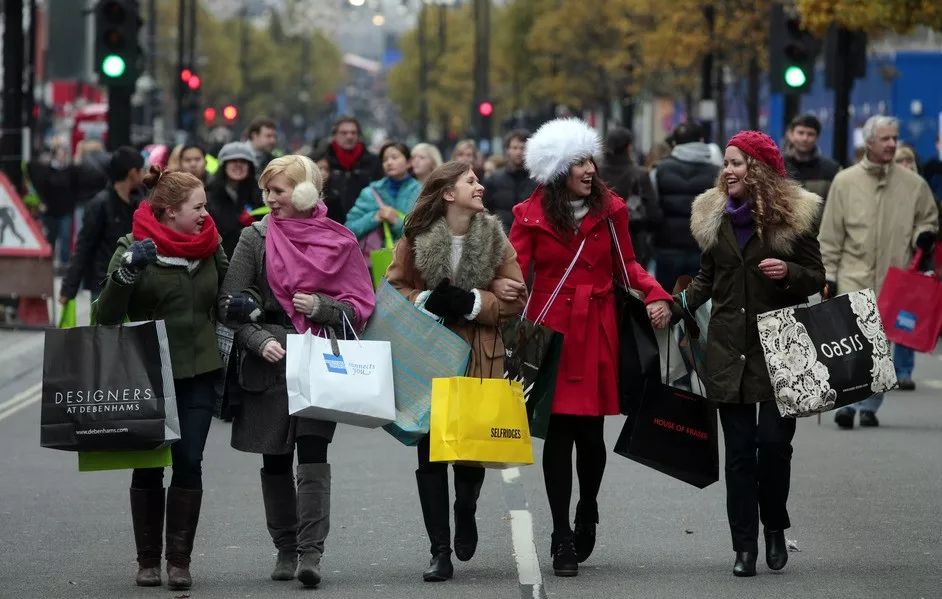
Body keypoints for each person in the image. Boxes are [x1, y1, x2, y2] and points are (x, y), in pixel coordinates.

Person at [508, 118, 671, 577]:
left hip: (597, 327)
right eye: (577, 162)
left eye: (589, 160)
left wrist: (656, 293)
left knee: (591, 433)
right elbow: (515, 272)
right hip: (551, 332)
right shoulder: (528, 214)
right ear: (558, 171)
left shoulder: (612, 208)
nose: (588, 169)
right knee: (558, 434)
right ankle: (560, 533)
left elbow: (628, 265)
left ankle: (588, 508)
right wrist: (491, 298)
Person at [219, 155, 375, 588]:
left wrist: (322, 307)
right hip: (269, 363)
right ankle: (285, 549)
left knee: (312, 454)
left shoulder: (339, 240)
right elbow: (228, 304)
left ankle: (310, 553)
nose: (270, 199)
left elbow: (360, 308)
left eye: (279, 191)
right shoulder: (255, 237)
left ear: (306, 191)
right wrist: (257, 340)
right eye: (266, 191)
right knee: (274, 459)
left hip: (318, 361)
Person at [681, 130, 825, 578]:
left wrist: (788, 272)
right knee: (740, 454)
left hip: (779, 347)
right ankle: (744, 546)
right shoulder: (713, 217)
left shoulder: (792, 219)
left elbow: (815, 275)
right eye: (726, 162)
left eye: (737, 163)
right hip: (727, 347)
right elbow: (706, 279)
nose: (728, 171)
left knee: (774, 446)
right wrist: (673, 306)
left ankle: (775, 527)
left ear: (758, 170)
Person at [385, 160, 526, 582]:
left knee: (469, 452)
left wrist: (474, 302)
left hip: (479, 357)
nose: (479, 186)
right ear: (448, 193)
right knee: (429, 453)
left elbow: (517, 299)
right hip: (429, 356)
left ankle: (465, 510)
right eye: (470, 181)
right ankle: (439, 551)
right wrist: (428, 299)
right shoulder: (415, 238)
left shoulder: (495, 239)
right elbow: (393, 290)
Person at [96, 166, 228, 591]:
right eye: (199, 207)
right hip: (149, 370)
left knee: (190, 460)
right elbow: (105, 315)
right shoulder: (132, 246)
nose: (206, 214)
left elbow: (227, 291)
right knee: (150, 463)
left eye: (205, 205)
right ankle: (148, 561)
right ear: (170, 212)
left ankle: (179, 561)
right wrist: (127, 273)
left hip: (200, 370)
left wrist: (245, 302)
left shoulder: (210, 245)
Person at [820, 116, 938, 427]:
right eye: (884, 139)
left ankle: (869, 406)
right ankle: (846, 405)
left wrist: (922, 236)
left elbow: (927, 220)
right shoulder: (844, 182)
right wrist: (828, 274)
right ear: (869, 142)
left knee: (879, 347)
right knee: (851, 345)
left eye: (894, 138)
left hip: (893, 278)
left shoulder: (915, 185)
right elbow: (831, 235)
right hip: (852, 275)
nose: (891, 144)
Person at [59, 147, 144, 306]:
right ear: (133, 173)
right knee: (103, 330)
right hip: (103, 284)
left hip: (134, 282)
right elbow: (83, 246)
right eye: (141, 170)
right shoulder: (100, 204)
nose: (144, 174)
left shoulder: (139, 202)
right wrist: (68, 290)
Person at [651, 121, 721, 291]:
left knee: (665, 302)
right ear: (702, 140)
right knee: (700, 307)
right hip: (703, 250)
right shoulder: (717, 172)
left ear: (674, 143)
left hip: (667, 248)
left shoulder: (659, 171)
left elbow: (653, 209)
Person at [599, 127, 660, 268]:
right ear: (628, 147)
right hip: (634, 244)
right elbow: (653, 215)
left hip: (601, 244)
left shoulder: (596, 174)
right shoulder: (640, 175)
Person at [345, 142, 422, 245]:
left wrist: (396, 221)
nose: (389, 163)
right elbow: (348, 229)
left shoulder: (421, 192)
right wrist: (375, 217)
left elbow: (426, 233)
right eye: (385, 160)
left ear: (408, 162)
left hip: (410, 258)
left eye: (394, 158)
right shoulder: (370, 193)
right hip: (376, 258)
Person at [206, 141, 262, 258]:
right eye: (233, 161)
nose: (238, 165)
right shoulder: (209, 195)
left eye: (243, 161)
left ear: (250, 166)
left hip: (252, 258)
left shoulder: (260, 195)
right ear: (224, 165)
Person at [322, 116, 382, 223]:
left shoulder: (373, 162)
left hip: (363, 225)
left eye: (353, 133)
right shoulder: (322, 161)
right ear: (334, 135)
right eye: (344, 133)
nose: (349, 136)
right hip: (329, 226)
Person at [483, 129, 537, 232]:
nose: (518, 152)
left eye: (523, 148)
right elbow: (485, 209)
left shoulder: (537, 181)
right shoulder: (493, 179)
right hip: (501, 236)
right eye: (514, 148)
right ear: (507, 150)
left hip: (528, 234)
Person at [783, 114, 841, 200]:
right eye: (800, 133)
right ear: (791, 135)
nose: (805, 138)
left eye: (810, 134)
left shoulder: (831, 169)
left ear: (817, 137)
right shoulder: (778, 166)